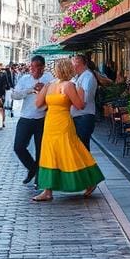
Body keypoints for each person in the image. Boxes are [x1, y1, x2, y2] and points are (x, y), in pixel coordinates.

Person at [32, 58, 105, 202]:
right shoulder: (68, 85)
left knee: (59, 152)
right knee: (62, 152)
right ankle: (50, 189)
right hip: (60, 122)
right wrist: (78, 92)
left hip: (53, 122)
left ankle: (49, 190)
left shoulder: (52, 85)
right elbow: (79, 105)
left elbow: (38, 104)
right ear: (69, 69)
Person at [11, 55, 53, 185]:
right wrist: (30, 90)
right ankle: (33, 168)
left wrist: (45, 90)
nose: (33, 70)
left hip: (42, 118)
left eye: (36, 67)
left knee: (41, 149)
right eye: (32, 67)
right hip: (26, 117)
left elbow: (55, 96)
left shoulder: (49, 79)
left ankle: (39, 178)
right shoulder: (24, 79)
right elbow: (14, 95)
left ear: (42, 67)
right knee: (18, 147)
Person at [71, 54, 98, 150]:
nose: (71, 66)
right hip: (78, 116)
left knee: (83, 148)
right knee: (79, 148)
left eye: (72, 63)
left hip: (84, 116)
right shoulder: (78, 77)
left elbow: (84, 99)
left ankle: (87, 165)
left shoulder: (88, 76)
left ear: (78, 64)